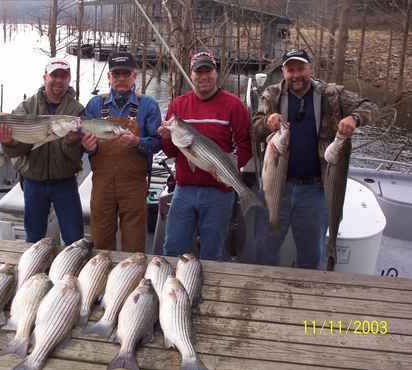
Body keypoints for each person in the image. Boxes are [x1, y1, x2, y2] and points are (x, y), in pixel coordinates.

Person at [252, 48, 378, 269]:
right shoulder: (272, 95)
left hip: (315, 189)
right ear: (283, 72)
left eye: (301, 68)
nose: (296, 74)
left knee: (311, 254)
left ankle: (308, 293)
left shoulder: (331, 94)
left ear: (310, 69)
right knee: (264, 247)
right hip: (277, 186)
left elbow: (370, 106)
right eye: (291, 70)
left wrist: (354, 118)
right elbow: (254, 129)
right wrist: (267, 122)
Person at [157, 51, 253, 261]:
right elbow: (173, 151)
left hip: (219, 192)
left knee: (213, 251)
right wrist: (166, 137)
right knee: (173, 247)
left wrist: (230, 167)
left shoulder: (234, 105)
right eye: (198, 72)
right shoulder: (178, 106)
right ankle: (174, 290)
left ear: (215, 72)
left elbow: (245, 145)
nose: (203, 77)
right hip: (184, 189)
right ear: (191, 75)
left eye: (207, 71)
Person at [0, 57, 95, 245]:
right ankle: (35, 272)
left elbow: (76, 155)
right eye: (54, 75)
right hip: (33, 181)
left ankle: (70, 270)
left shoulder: (76, 110)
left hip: (65, 181)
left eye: (63, 76)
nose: (58, 80)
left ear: (69, 79)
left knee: (74, 237)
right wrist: (8, 142)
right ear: (45, 77)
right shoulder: (26, 107)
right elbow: (18, 151)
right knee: (34, 237)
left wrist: (71, 142)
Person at [84, 51, 162, 252]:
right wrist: (87, 147)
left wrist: (137, 141)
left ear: (134, 76)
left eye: (125, 74)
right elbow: (81, 141)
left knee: (135, 245)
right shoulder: (94, 105)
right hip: (102, 184)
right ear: (109, 77)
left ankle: (131, 280)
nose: (120, 79)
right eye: (115, 74)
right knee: (100, 241)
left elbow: (158, 142)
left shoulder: (148, 105)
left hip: (134, 185)